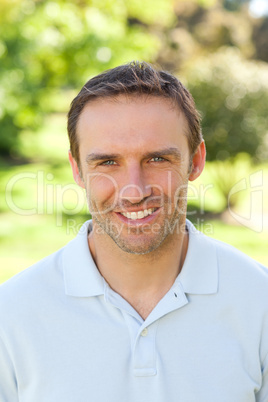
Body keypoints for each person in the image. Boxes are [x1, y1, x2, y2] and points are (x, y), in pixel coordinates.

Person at [0, 61, 267, 402]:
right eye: (107, 162)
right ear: (77, 170)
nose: (133, 190)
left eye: (157, 159)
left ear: (196, 161)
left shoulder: (260, 303)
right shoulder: (10, 316)